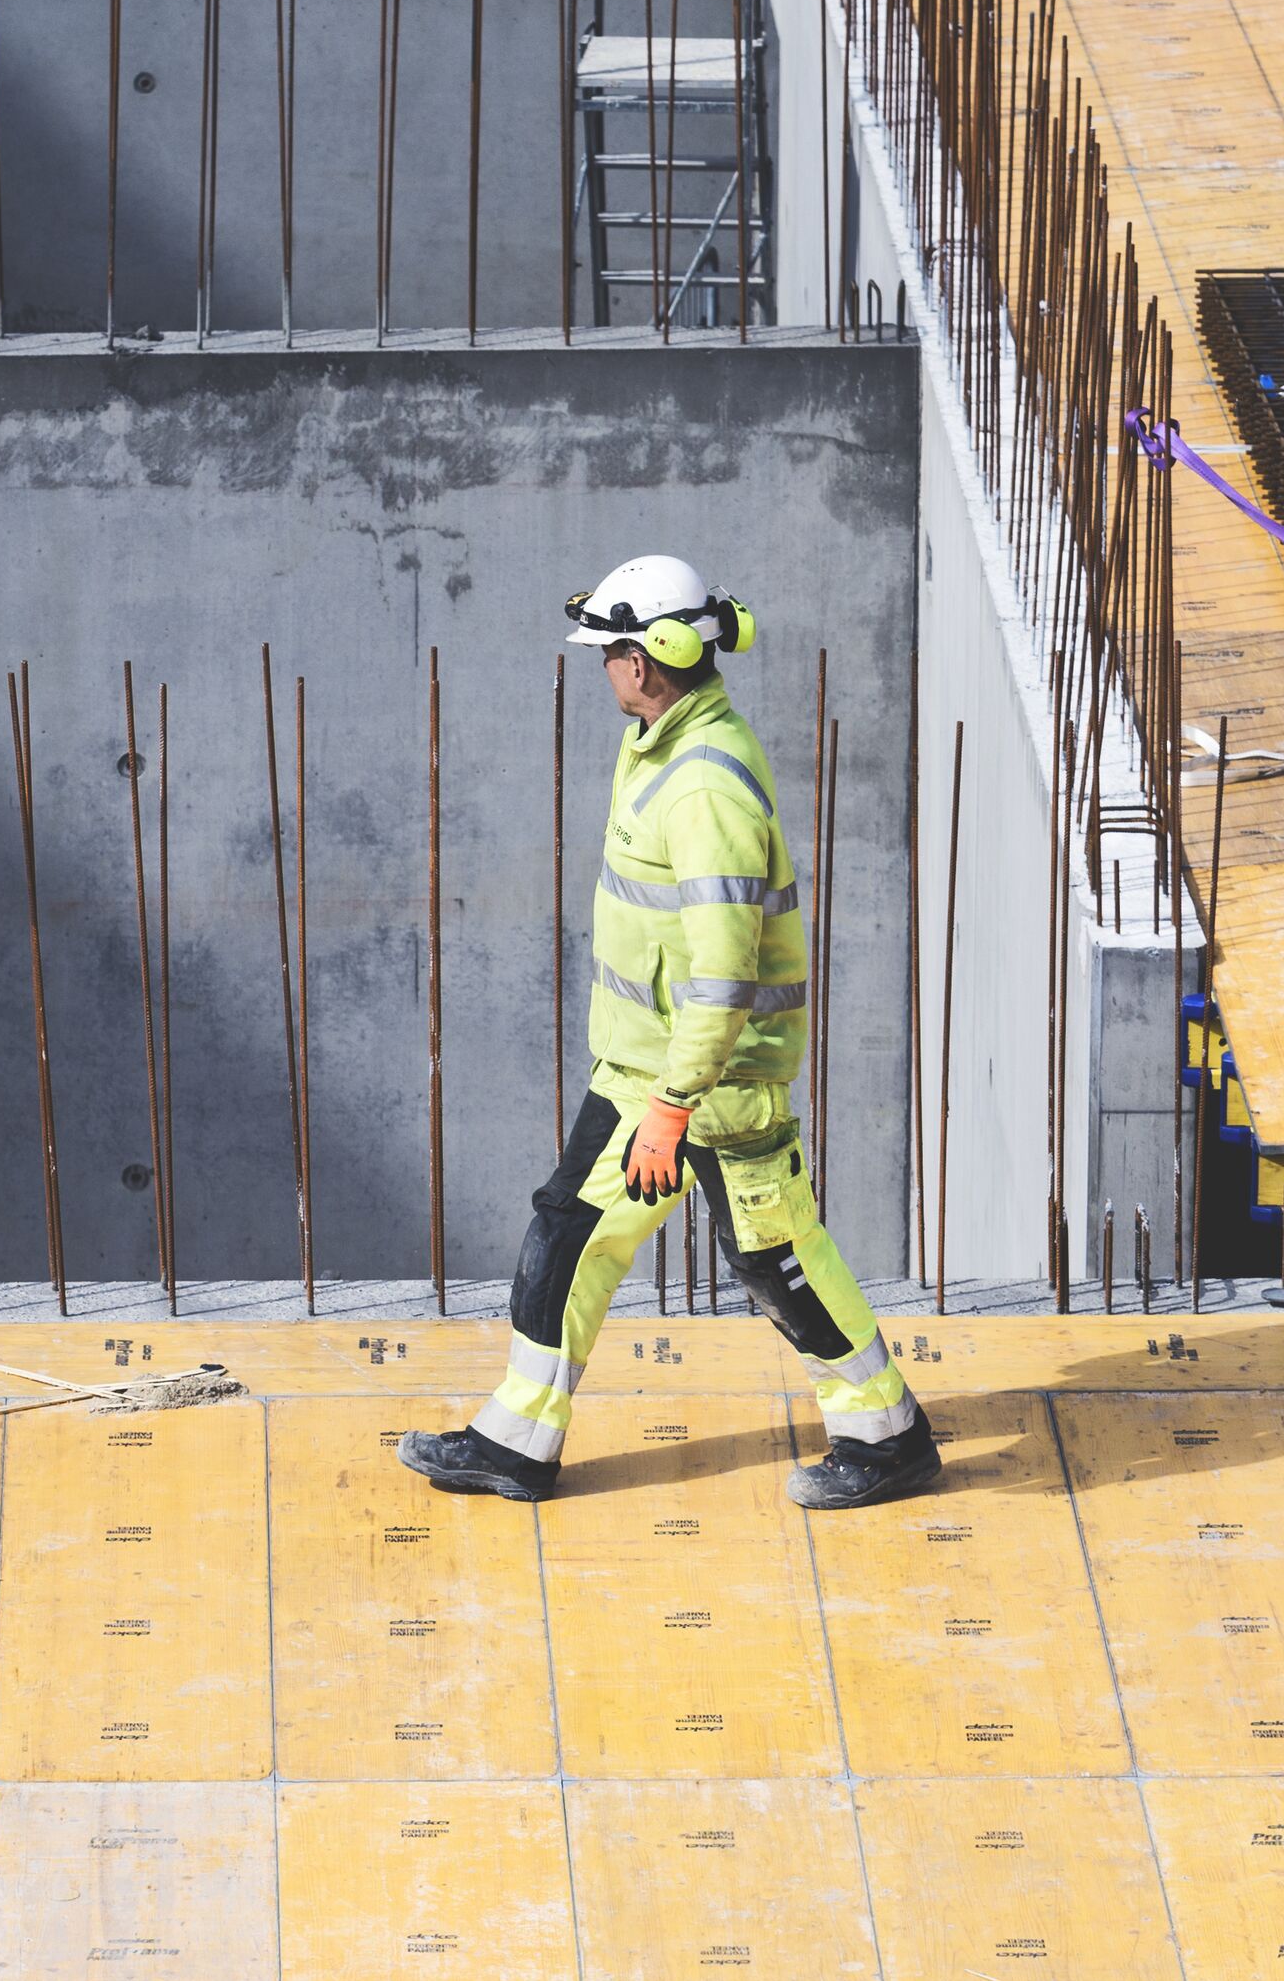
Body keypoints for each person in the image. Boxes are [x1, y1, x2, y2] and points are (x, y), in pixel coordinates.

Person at [395, 553, 937, 1511]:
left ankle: (886, 1437)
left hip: (703, 1086)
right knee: (572, 1236)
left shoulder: (701, 787)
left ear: (645, 662)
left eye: (608, 649)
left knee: (775, 1259)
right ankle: (516, 1442)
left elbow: (726, 973)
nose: (602, 665)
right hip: (649, 1070)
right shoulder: (663, 743)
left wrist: (671, 1109)